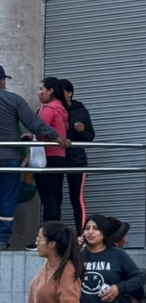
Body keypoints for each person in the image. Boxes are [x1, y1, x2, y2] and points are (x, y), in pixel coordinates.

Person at [0, 66, 67, 251]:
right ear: (2, 81)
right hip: (9, 159)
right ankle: (1, 239)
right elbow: (34, 123)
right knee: (7, 199)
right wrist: (56, 137)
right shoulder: (13, 100)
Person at [24, 78, 70, 245]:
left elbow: (41, 129)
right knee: (55, 199)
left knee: (48, 199)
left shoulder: (48, 109)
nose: (38, 92)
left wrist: (32, 136)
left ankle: (47, 240)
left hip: (45, 158)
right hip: (59, 158)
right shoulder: (62, 110)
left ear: (51, 91)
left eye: (41, 89)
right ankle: (56, 239)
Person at [59, 79, 94, 235]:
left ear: (69, 93)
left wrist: (81, 129)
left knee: (76, 198)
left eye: (61, 91)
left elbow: (90, 136)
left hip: (76, 159)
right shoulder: (53, 108)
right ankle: (56, 235)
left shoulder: (80, 109)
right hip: (56, 159)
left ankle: (82, 235)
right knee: (55, 198)